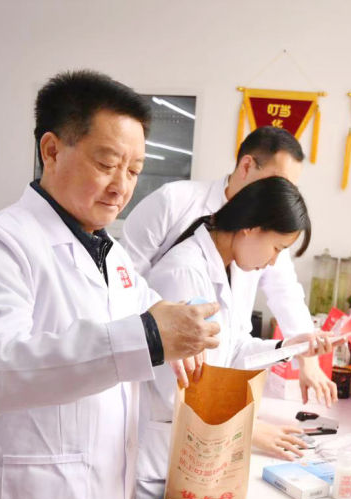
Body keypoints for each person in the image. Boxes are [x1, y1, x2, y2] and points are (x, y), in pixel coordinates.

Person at [0, 70, 221, 499]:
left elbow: (149, 314)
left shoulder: (112, 254)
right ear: (51, 150)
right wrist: (150, 338)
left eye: (134, 170)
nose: (122, 186)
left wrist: (178, 329)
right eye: (107, 164)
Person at [136, 176, 333, 499]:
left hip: (193, 453)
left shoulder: (230, 268)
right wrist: (248, 430)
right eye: (276, 248)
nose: (273, 262)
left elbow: (234, 348)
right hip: (161, 457)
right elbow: (178, 386)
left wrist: (290, 346)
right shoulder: (184, 272)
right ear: (251, 228)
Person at [122, 126, 338, 406]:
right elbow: (125, 284)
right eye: (276, 182)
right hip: (163, 406)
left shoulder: (241, 249)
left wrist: (298, 351)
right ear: (247, 165)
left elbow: (276, 303)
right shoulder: (177, 213)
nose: (273, 260)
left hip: (204, 395)